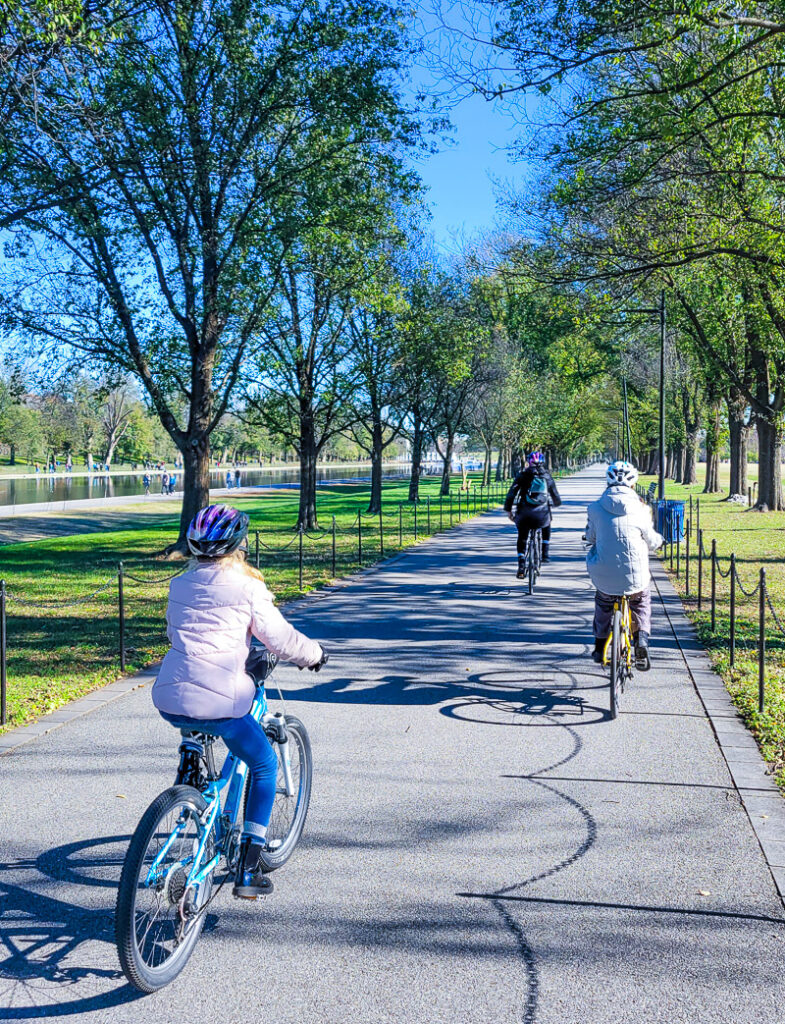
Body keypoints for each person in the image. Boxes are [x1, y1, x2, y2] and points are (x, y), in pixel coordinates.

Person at [151, 505, 326, 899]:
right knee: (263, 765)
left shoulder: (179, 585)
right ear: (239, 545)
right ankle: (248, 869)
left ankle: (190, 754)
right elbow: (280, 639)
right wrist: (314, 654)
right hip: (222, 702)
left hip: (169, 695)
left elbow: (177, 632)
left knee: (195, 710)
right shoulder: (247, 588)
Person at [585, 460, 664, 671]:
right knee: (641, 601)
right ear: (632, 483)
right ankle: (642, 641)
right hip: (635, 576)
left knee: (603, 603)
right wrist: (659, 542)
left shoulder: (594, 508)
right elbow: (651, 539)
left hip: (604, 574)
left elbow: (591, 537)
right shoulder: (641, 509)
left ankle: (600, 646)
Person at [504, 451, 562, 576]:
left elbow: (511, 494)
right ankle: (545, 553)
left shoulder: (523, 475)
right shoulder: (547, 476)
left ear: (528, 462)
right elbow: (556, 496)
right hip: (541, 514)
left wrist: (508, 510)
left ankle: (521, 564)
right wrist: (555, 504)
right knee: (547, 523)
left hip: (524, 514)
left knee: (522, 537)